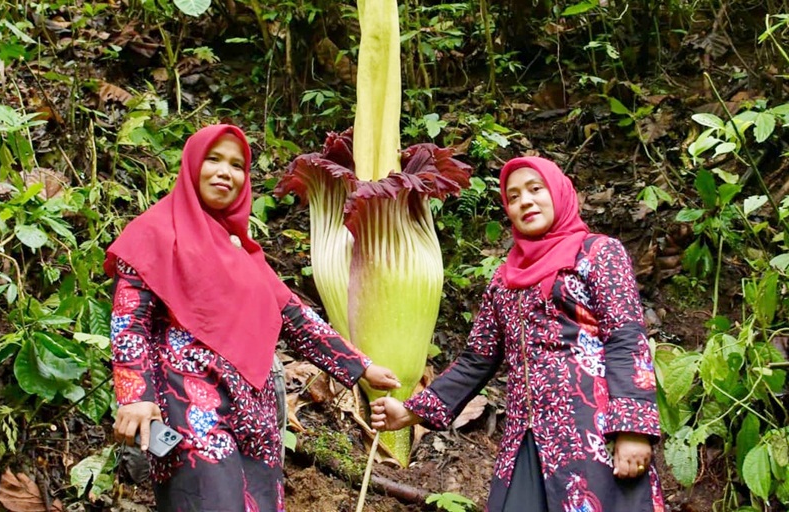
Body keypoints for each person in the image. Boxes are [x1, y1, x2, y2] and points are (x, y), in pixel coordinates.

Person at [106, 123, 400, 511]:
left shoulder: (244, 253)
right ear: (192, 165)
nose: (225, 172)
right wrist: (135, 396)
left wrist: (361, 367)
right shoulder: (154, 232)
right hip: (190, 409)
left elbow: (295, 317)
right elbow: (130, 323)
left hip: (254, 410)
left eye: (237, 165)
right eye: (213, 160)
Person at [370, 156, 664, 512]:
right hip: (525, 438)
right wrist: (411, 412)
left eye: (535, 189)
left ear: (559, 192)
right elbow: (475, 361)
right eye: (513, 196)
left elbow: (625, 338)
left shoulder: (598, 253)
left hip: (593, 432)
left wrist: (632, 430)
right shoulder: (504, 280)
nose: (525, 201)